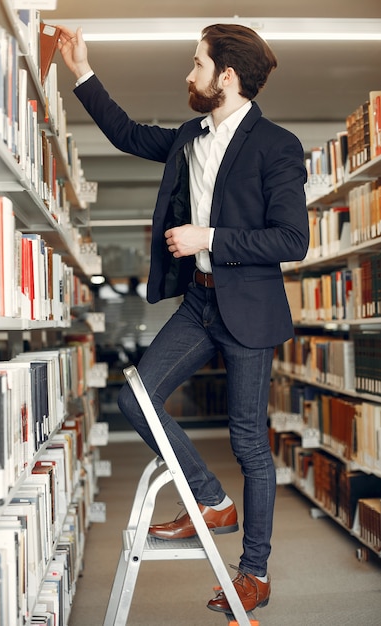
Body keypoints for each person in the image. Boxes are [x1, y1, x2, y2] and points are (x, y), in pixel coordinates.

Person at [58, 22, 309, 615]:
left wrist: (211, 236)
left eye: (196, 63)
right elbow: (126, 133)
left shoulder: (276, 145)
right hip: (198, 302)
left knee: (249, 441)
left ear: (226, 75)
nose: (187, 74)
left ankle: (254, 573)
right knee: (135, 398)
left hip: (247, 305)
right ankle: (211, 501)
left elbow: (292, 238)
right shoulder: (191, 137)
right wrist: (81, 71)